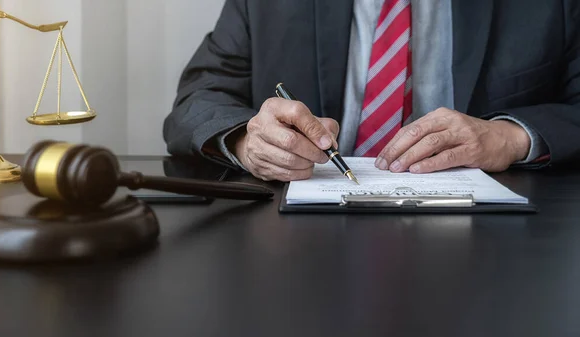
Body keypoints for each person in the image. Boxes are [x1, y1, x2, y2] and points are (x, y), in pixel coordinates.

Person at [163, 0, 580, 182]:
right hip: (294, 244)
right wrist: (247, 139)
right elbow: (198, 97)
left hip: (500, 251)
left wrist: (508, 137)